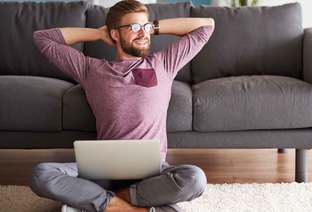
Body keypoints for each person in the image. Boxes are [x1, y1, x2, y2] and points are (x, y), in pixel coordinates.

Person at [28, 0, 215, 212]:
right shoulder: (91, 69)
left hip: (151, 173)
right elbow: (42, 38)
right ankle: (131, 207)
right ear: (115, 34)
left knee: (195, 178)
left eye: (145, 27)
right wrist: (98, 34)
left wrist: (151, 27)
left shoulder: (164, 63)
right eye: (134, 27)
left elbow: (206, 26)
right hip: (101, 172)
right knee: (41, 174)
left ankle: (109, 202)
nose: (143, 33)